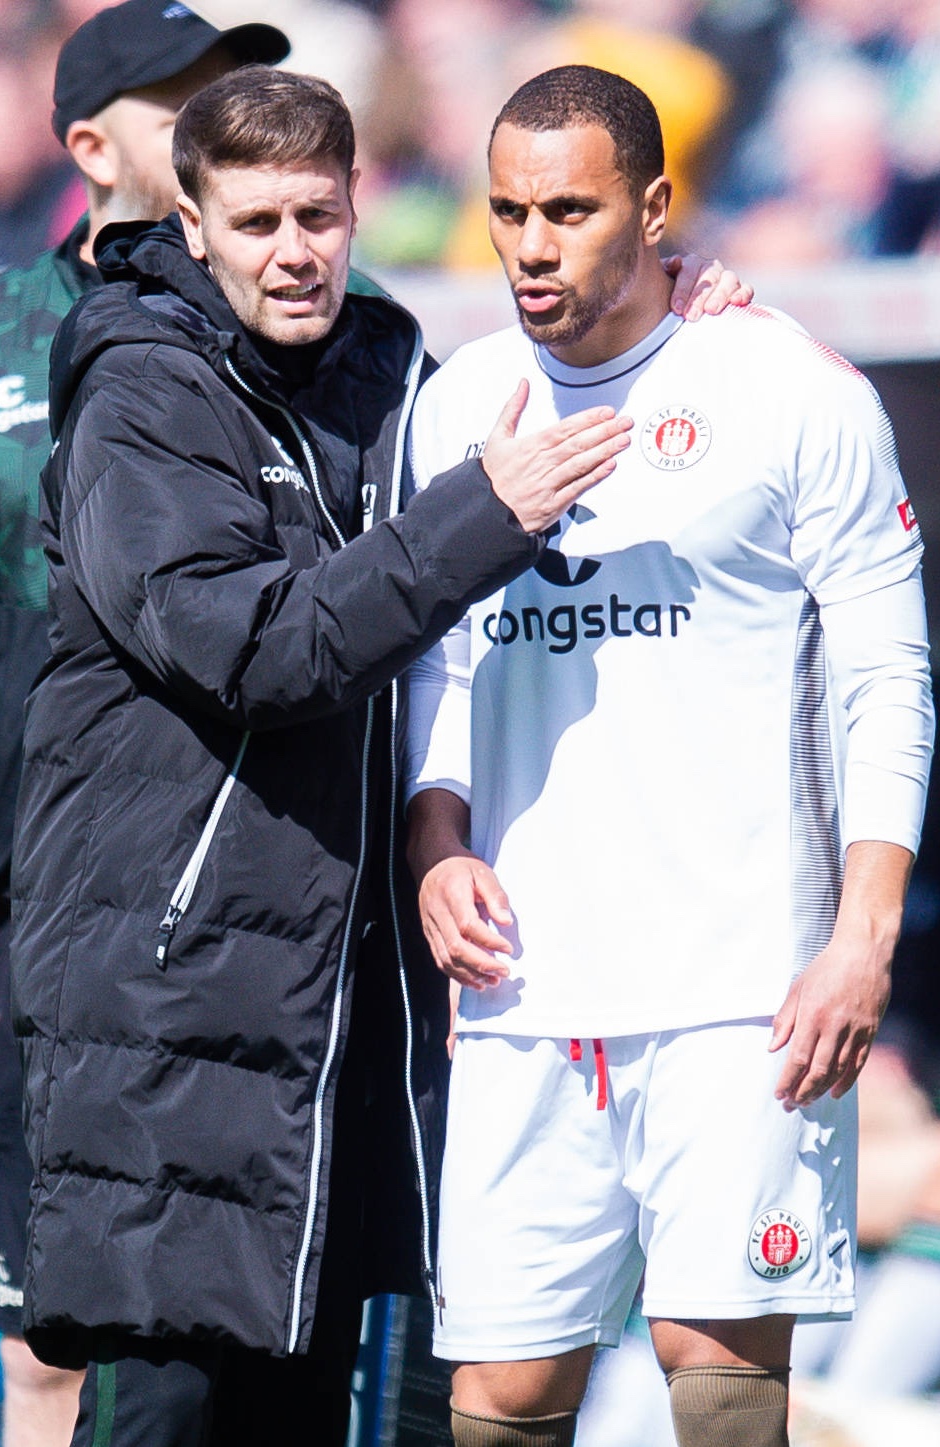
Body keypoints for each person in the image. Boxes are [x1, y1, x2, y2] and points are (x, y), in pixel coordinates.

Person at [8, 64, 655, 1447]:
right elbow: (253, 650)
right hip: (171, 1002)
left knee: (300, 1415)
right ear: (190, 227)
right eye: (255, 224)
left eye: (317, 216)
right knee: (166, 1412)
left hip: (332, 1009)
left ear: (359, 207)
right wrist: (486, 516)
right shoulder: (140, 398)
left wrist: (682, 308)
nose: (293, 253)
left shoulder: (385, 367)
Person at [401, 65, 934, 1447]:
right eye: (509, 210)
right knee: (506, 1387)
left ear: (652, 205)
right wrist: (435, 842)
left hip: (741, 983)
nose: (530, 244)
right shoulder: (455, 404)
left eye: (569, 210)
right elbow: (432, 664)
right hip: (523, 978)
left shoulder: (791, 391)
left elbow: (889, 675)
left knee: (715, 1356)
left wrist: (862, 938)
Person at [0, 6, 292, 1444]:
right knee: (51, 1342)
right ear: (92, 146)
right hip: (30, 923)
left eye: (240, 92)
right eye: (188, 103)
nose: (226, 119)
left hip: (255, 910)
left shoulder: (308, 331)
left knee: (245, 1341)